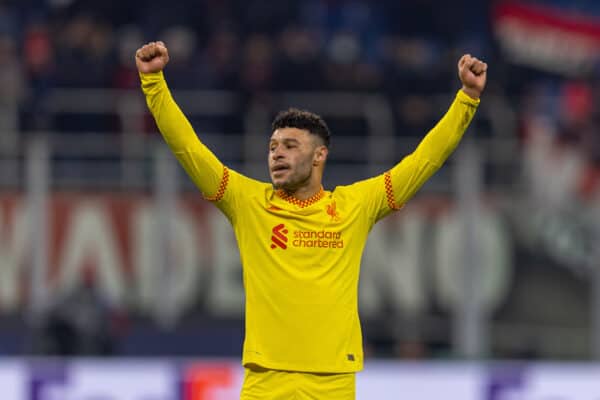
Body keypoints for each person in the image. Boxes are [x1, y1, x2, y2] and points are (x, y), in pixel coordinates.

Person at [136, 40, 487, 399]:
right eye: (273, 147)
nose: (277, 155)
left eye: (290, 146)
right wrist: (154, 84)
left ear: (319, 155)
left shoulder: (355, 205)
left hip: (332, 381)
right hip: (267, 380)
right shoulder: (246, 202)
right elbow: (189, 148)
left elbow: (422, 161)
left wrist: (467, 100)